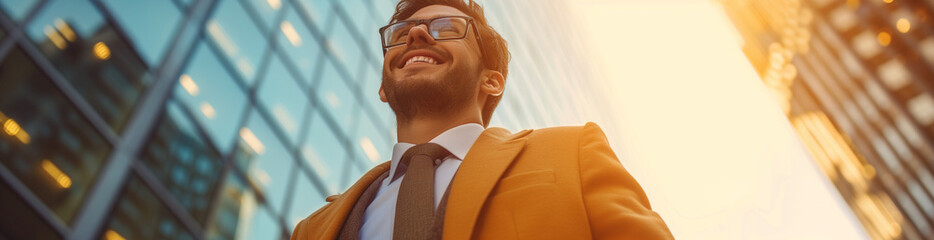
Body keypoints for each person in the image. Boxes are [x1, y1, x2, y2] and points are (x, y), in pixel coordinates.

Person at [291, 0, 673, 239]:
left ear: (492, 81)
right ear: (382, 88)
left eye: (446, 28)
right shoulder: (315, 228)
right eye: (402, 32)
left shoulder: (572, 152)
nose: (418, 33)